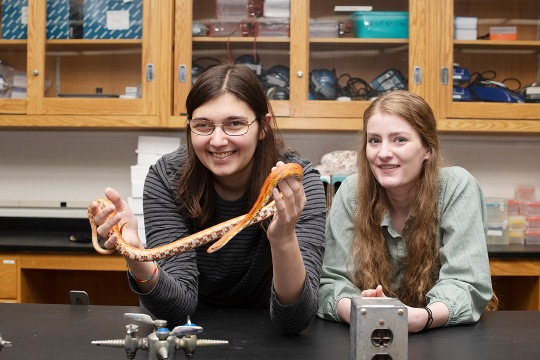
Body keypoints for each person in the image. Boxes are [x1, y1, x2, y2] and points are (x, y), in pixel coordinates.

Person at [90, 63, 327, 335]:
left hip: (271, 335)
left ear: (263, 126)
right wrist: (135, 254)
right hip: (190, 333)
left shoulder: (297, 182)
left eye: (235, 124)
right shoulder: (167, 178)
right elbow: (177, 311)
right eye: (203, 125)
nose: (217, 141)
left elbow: (295, 321)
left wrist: (284, 239)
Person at [317, 90, 495, 332]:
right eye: (374, 140)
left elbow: (466, 282)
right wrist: (360, 309)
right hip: (368, 335)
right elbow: (331, 283)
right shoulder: (350, 192)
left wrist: (422, 318)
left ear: (427, 149)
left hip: (445, 337)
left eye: (399, 139)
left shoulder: (456, 187)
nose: (383, 153)